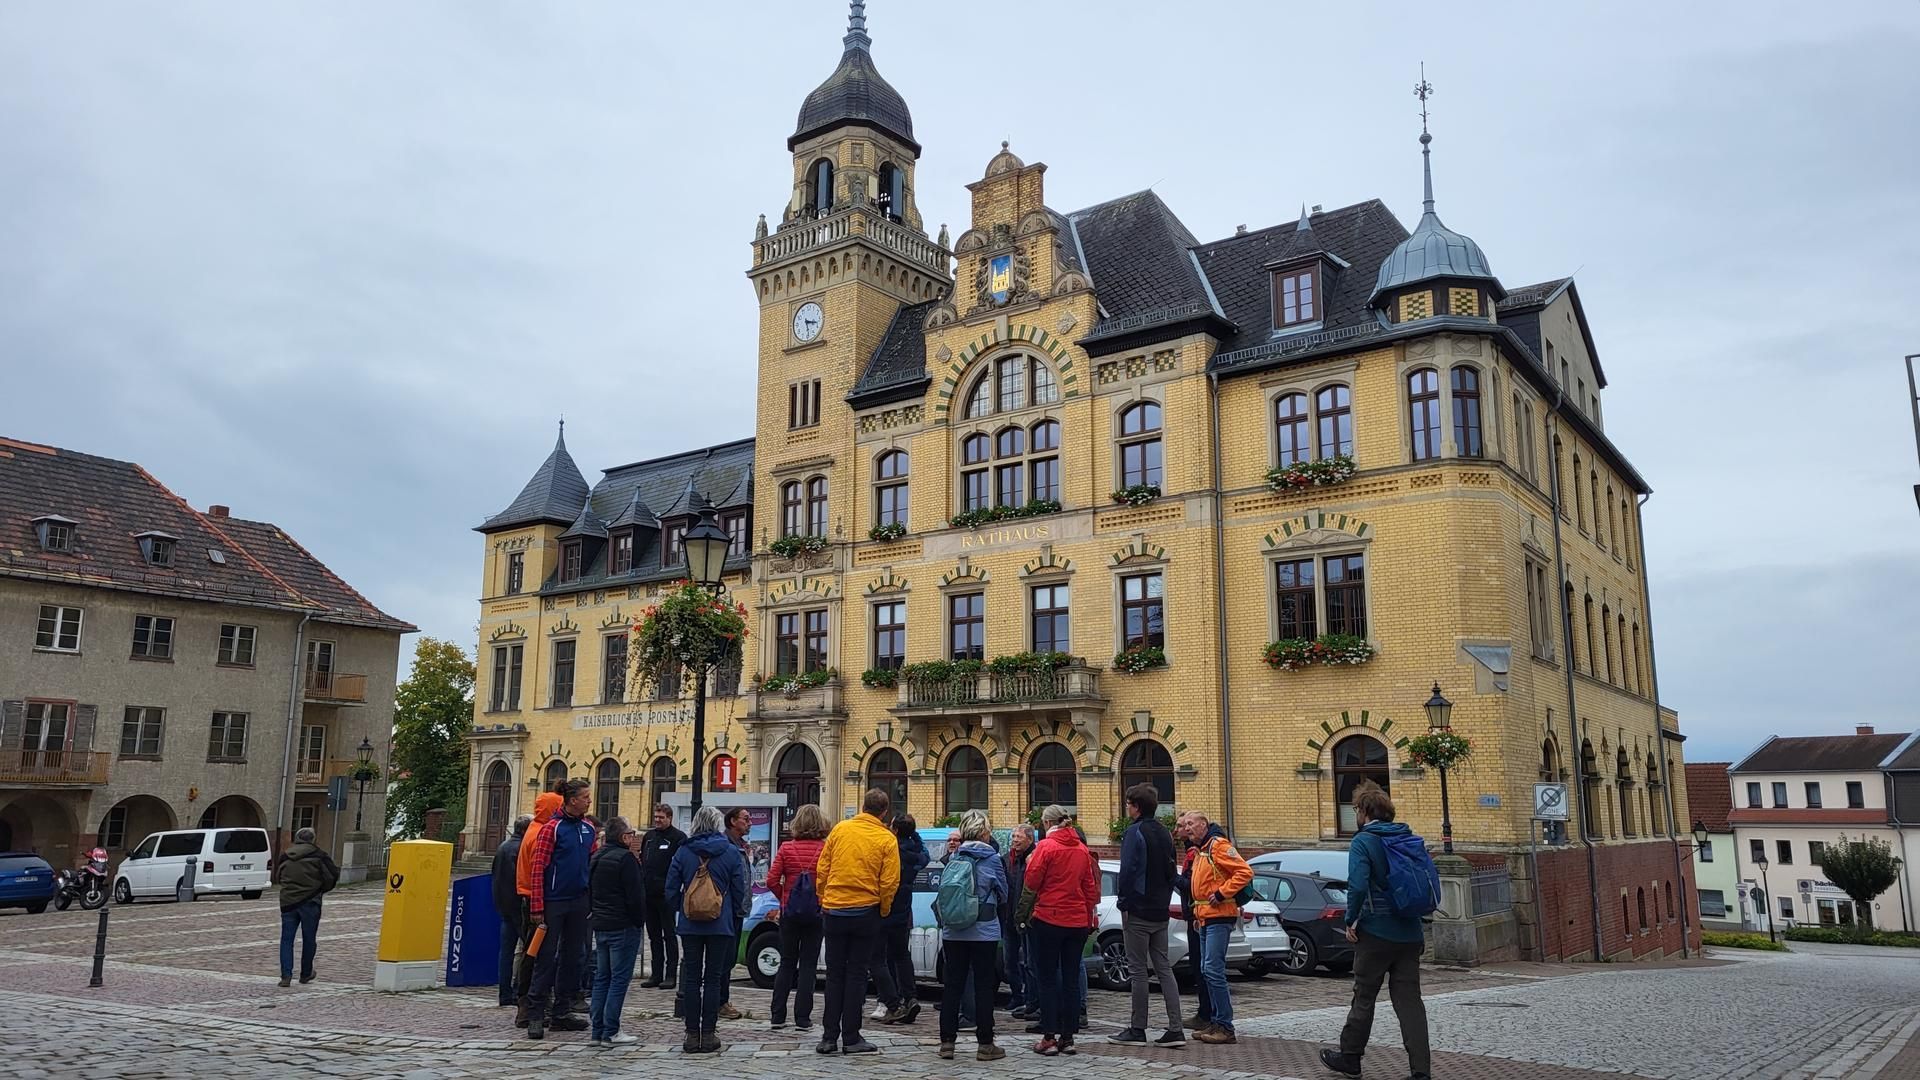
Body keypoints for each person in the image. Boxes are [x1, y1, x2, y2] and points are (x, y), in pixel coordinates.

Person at [1319, 787, 1433, 1080]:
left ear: (1364, 812)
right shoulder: (1407, 836)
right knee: (1410, 1001)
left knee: (1364, 995)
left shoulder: (1364, 841)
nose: (1355, 815)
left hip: (1376, 933)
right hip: (1410, 932)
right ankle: (1421, 1071)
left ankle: (1350, 1057)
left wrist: (1351, 919)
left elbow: (1357, 885)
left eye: (1356, 810)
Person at [814, 788, 901, 1055]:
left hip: (835, 909)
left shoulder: (840, 830)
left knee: (834, 975)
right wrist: (883, 909)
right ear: (884, 812)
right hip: (866, 911)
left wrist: (824, 898)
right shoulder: (886, 838)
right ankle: (851, 1037)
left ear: (863, 806)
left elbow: (823, 868)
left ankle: (829, 1037)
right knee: (857, 975)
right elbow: (889, 882)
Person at [665, 804, 749, 1055]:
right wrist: (733, 915)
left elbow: (670, 889)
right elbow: (739, 889)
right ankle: (709, 1034)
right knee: (713, 979)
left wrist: (682, 908)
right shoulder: (731, 852)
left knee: (691, 978)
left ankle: (692, 1035)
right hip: (720, 924)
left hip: (690, 924)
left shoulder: (683, 851)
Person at [1017, 804, 1097, 1056]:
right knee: (1071, 980)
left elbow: (1031, 880)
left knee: (1048, 978)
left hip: (1050, 918)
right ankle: (1069, 1037)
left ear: (1047, 824)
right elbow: (1091, 890)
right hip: (1076, 922)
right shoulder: (1082, 850)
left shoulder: (1046, 847)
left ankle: (1049, 1036)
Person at [525, 779, 598, 1040]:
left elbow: (592, 865)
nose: (589, 800)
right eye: (585, 796)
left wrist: (591, 901)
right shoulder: (551, 829)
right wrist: (537, 906)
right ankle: (535, 1013)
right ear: (572, 800)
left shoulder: (588, 829)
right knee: (546, 958)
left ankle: (562, 1012)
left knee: (573, 958)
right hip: (553, 901)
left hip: (578, 901)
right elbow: (538, 868)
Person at [1113, 785, 1184, 1048]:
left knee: (1138, 970)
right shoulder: (1164, 832)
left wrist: (1123, 902)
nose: (1127, 808)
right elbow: (1170, 868)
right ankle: (1175, 1028)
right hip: (1160, 910)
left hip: (1139, 910)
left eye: (1129, 804)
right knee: (1164, 968)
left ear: (1137, 806)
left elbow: (1128, 870)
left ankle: (1137, 1028)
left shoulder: (1134, 832)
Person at [937, 810, 1008, 1062]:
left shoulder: (954, 856)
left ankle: (947, 1043)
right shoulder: (992, 859)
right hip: (984, 932)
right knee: (983, 987)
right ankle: (985, 1044)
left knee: (952, 986)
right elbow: (1004, 894)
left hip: (953, 931)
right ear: (984, 832)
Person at [1177, 810, 1251, 1045]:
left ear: (1203, 825)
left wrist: (1222, 893)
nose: (1187, 828)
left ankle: (1225, 1026)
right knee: (1206, 969)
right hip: (1205, 917)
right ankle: (1215, 1021)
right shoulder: (1200, 850)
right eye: (1184, 824)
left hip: (1220, 916)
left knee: (1213, 969)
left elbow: (1244, 872)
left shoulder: (1218, 846)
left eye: (1191, 824)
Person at [767, 803, 830, 1031]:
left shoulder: (786, 848)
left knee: (786, 962)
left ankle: (777, 1016)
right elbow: (829, 880)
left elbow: (771, 880)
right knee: (808, 965)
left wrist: (784, 898)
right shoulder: (825, 849)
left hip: (790, 913)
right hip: (815, 913)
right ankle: (802, 1018)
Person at [587, 816, 647, 1046]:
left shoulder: (597, 856)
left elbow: (590, 890)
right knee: (618, 979)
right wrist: (638, 921)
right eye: (631, 833)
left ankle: (597, 1030)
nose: (633, 837)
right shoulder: (626, 859)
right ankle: (611, 1030)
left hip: (601, 924)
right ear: (624, 837)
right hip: (622, 926)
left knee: (602, 978)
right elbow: (635, 896)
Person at [514, 791, 564, 1026]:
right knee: (535, 955)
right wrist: (540, 906)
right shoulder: (540, 834)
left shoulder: (533, 828)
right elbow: (538, 873)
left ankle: (532, 1002)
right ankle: (530, 1004)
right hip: (535, 901)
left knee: (532, 954)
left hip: (529, 899)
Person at [873, 814, 926, 1026]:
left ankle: (890, 1001)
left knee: (880, 958)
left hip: (884, 908)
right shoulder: (916, 854)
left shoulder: (890, 848)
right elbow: (924, 856)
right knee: (902, 955)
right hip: (904, 909)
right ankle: (910, 996)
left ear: (894, 830)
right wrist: (915, 836)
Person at [275, 827, 339, 988]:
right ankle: (306, 973)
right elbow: (332, 875)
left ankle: (286, 975)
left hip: (288, 902)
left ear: (297, 839)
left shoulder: (285, 856)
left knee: (286, 939)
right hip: (311, 902)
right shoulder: (319, 856)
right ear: (312, 839)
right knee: (309, 938)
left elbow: (278, 876)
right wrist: (320, 890)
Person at [638, 803, 686, 990]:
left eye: (661, 817)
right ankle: (656, 974)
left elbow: (680, 866)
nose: (657, 820)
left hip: (667, 895)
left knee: (669, 935)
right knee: (654, 936)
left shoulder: (678, 838)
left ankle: (670, 974)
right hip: (649, 894)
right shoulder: (649, 837)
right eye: (656, 817)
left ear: (669, 818)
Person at [492, 814, 533, 1008]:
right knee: (530, 950)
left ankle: (504, 993)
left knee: (506, 952)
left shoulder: (502, 847)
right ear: (525, 830)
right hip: (520, 907)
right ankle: (521, 991)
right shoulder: (521, 849)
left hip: (504, 906)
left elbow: (495, 877)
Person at [1003, 823, 1036, 1020]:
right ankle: (1017, 995)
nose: (1015, 840)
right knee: (1010, 963)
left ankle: (1031, 999)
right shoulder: (1007, 860)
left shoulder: (1033, 859)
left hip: (1027, 920)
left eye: (1018, 837)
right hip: (1009, 918)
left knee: (1029, 963)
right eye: (1013, 837)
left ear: (1029, 839)